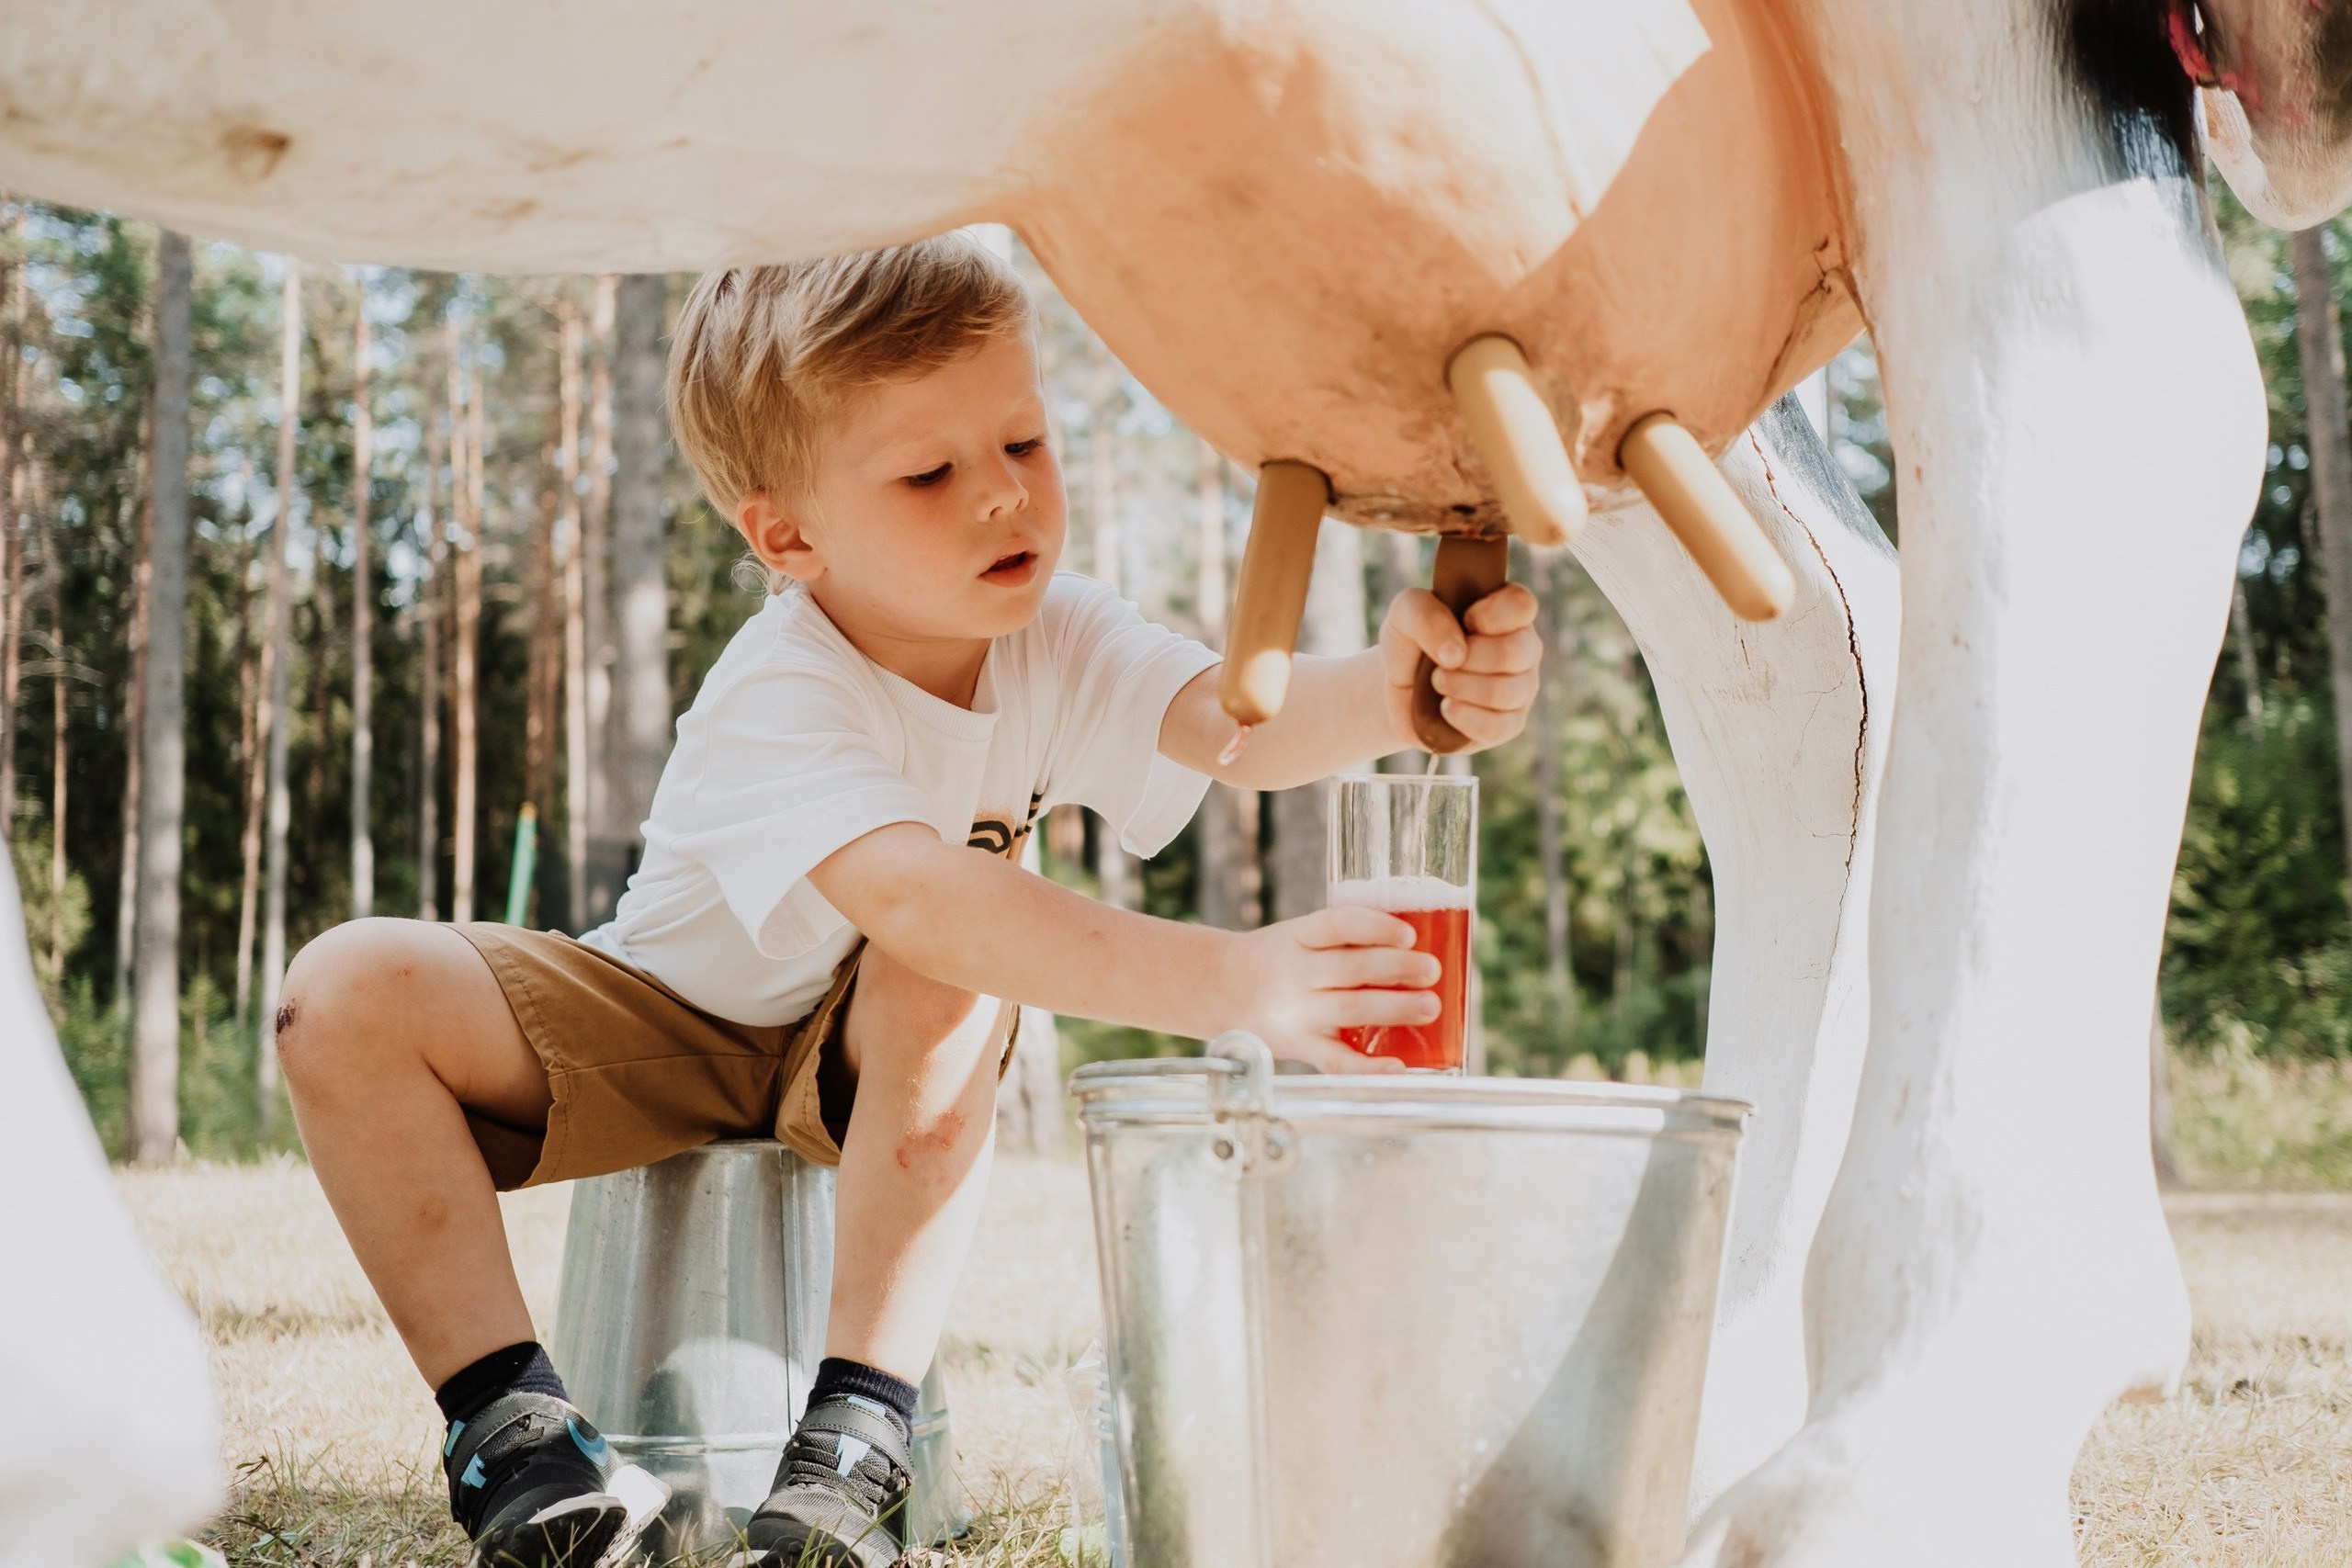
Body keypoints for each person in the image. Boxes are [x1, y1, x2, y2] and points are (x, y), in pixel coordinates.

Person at [275, 233, 1541, 1568]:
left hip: (875, 1049)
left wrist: (1402, 690)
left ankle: (852, 1442)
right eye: (931, 472)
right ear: (789, 535)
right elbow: (917, 895)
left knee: (953, 938)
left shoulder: (1060, 632)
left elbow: (1237, 722)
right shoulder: (785, 686)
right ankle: (517, 1437)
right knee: (345, 991)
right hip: (661, 1012)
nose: (1004, 499)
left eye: (1026, 445)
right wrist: (1236, 981)